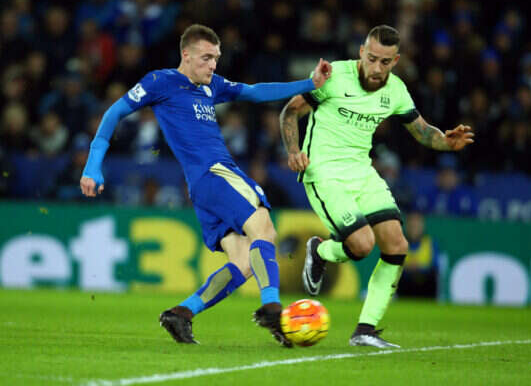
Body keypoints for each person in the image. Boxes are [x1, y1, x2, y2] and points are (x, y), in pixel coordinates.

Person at [80, 24, 331, 347]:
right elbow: (114, 112)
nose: (213, 65)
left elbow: (255, 92)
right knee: (264, 229)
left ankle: (182, 313)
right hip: (215, 173)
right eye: (206, 58)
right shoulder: (161, 82)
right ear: (186, 55)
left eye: (216, 58)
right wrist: (93, 165)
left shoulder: (213, 86)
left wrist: (310, 83)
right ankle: (272, 308)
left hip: (202, 187)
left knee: (243, 261)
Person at [279, 25, 473, 348]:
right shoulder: (333, 77)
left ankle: (365, 330)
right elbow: (290, 111)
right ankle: (321, 250)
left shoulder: (395, 90)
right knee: (362, 245)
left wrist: (445, 141)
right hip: (325, 173)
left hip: (362, 172)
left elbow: (422, 131)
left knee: (397, 245)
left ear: (395, 61)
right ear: (361, 53)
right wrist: (293, 151)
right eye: (371, 58)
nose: (377, 67)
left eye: (385, 62)